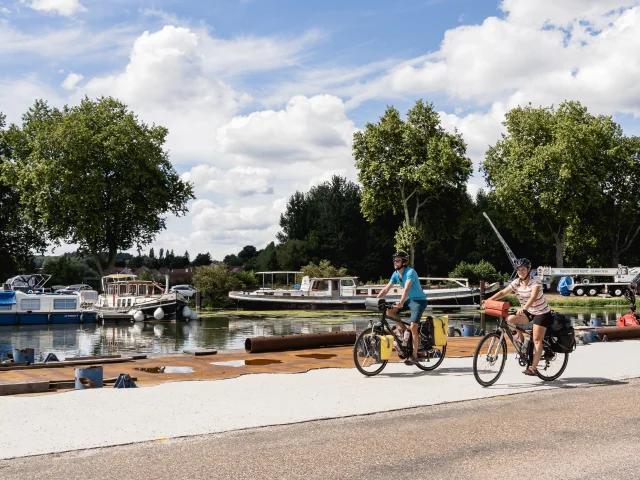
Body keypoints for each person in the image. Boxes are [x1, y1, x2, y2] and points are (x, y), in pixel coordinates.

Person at [483, 258, 552, 376]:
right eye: (519, 270)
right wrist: (489, 300)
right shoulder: (517, 282)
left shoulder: (535, 281)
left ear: (528, 270)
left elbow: (533, 297)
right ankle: (521, 342)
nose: (521, 272)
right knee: (509, 320)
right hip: (529, 311)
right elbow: (503, 292)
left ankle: (533, 368)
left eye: (523, 269)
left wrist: (524, 308)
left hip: (542, 312)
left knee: (536, 339)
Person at [376, 251, 427, 364]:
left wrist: (401, 302)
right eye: (394, 260)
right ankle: (404, 331)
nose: (395, 262)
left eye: (397, 260)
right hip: (408, 300)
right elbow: (386, 289)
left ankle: (414, 355)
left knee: (413, 326)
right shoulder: (395, 274)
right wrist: (375, 300)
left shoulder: (410, 272)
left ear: (404, 262)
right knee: (389, 311)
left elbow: (406, 288)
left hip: (419, 301)